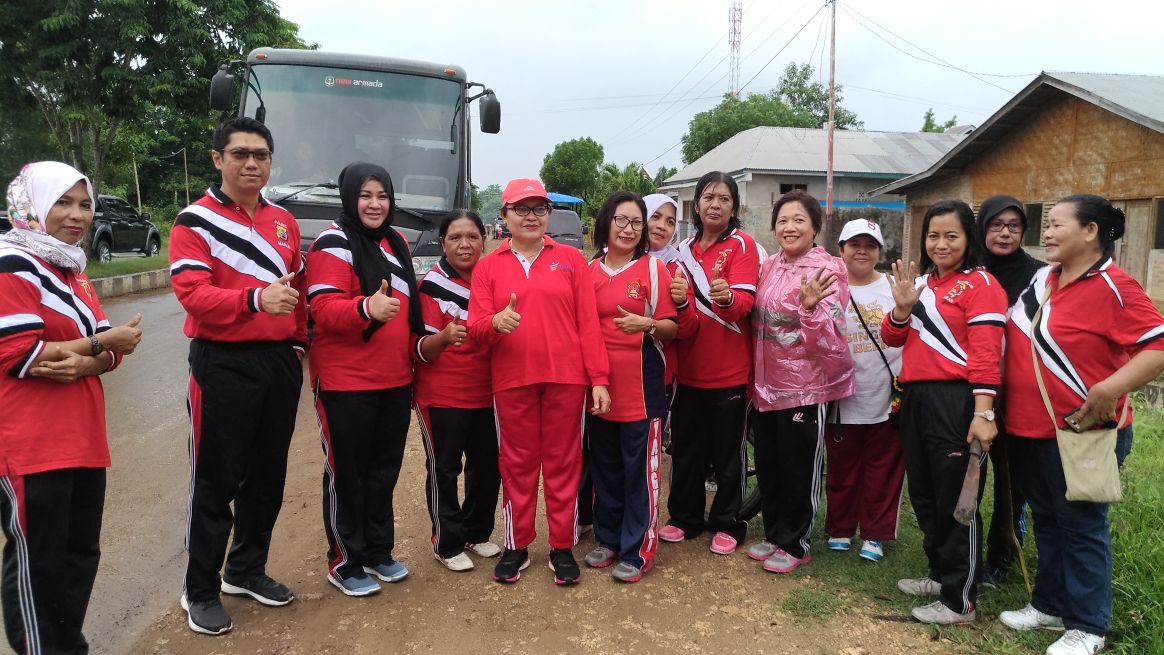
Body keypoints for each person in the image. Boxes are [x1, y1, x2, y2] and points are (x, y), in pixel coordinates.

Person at [998, 195, 1164, 655]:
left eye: (1056, 225)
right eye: (1046, 225)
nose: (1046, 233)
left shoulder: (1115, 286)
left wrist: (1110, 388)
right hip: (1030, 428)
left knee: (1082, 524)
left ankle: (1088, 626)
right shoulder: (1044, 280)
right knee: (1048, 520)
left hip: (1082, 432)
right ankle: (1048, 604)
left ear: (1090, 231)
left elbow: (1156, 347)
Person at [169, 117, 307, 635]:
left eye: (262, 155)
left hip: (277, 363)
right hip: (222, 362)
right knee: (215, 479)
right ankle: (199, 589)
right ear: (217, 158)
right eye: (241, 153)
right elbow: (193, 295)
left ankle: (245, 570)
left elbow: (298, 290)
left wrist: (296, 343)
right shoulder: (193, 222)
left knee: (268, 476)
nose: (252, 163)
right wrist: (254, 298)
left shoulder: (284, 222)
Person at [0, 161, 142, 653]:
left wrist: (89, 355)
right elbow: (23, 355)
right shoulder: (11, 261)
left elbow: (112, 353)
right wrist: (101, 345)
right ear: (32, 205)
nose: (77, 215)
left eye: (84, 204)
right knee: (39, 566)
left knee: (79, 557)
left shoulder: (70, 270)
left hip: (83, 437)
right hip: (30, 444)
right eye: (62, 202)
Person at [467, 178, 610, 585]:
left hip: (567, 378)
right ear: (505, 215)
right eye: (521, 209)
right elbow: (475, 328)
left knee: (565, 464)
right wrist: (495, 322)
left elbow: (588, 324)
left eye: (539, 209)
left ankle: (562, 546)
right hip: (512, 380)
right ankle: (516, 544)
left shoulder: (570, 260)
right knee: (517, 465)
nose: (531, 217)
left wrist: (598, 378)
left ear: (549, 214)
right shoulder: (488, 266)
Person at [881, 199, 1006, 625]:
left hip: (958, 400)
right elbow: (891, 338)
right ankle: (939, 574)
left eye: (951, 235)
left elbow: (988, 355)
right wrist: (900, 308)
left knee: (957, 499)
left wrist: (983, 413)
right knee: (926, 493)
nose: (941, 243)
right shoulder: (920, 285)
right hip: (916, 398)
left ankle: (960, 599)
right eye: (933, 235)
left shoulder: (981, 285)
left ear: (968, 238)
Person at [306, 162, 423, 596]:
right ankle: (345, 560)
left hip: (394, 380)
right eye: (366, 196)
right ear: (350, 198)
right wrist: (364, 310)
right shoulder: (334, 242)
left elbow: (410, 312)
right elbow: (323, 310)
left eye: (383, 196)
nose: (375, 205)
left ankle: (377, 552)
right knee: (347, 473)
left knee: (383, 471)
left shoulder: (395, 242)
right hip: (346, 382)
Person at [746, 190, 854, 573]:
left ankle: (796, 542)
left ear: (815, 227)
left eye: (798, 220)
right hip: (765, 386)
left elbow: (831, 339)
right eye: (783, 221)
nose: (789, 227)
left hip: (804, 388)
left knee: (799, 466)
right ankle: (775, 533)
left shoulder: (828, 269)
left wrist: (809, 309)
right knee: (771, 464)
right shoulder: (771, 264)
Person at [659, 171, 760, 555]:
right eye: (708, 197)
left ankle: (728, 523)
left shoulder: (742, 246)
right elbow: (677, 312)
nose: (715, 204)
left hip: (730, 372)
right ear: (697, 204)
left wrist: (725, 298)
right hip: (688, 371)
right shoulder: (681, 251)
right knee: (686, 449)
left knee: (727, 452)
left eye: (724, 199)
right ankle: (684, 517)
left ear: (734, 207)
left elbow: (743, 306)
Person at [582, 191, 678, 583]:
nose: (628, 229)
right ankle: (608, 538)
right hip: (598, 389)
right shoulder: (588, 272)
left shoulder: (654, 271)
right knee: (605, 468)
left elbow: (673, 329)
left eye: (636, 223)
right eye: (621, 220)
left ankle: (638, 549)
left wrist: (647, 324)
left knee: (640, 471)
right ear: (606, 223)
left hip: (642, 389)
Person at [413, 210, 501, 572]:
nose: (465, 244)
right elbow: (419, 348)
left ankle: (475, 532)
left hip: (489, 391)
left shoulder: (492, 278)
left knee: (488, 467)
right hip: (443, 394)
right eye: (455, 238)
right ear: (442, 244)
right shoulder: (431, 285)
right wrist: (445, 337)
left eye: (472, 237)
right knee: (445, 468)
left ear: (484, 239)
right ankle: (446, 542)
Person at [823, 219, 905, 564]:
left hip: (887, 394)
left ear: (879, 252)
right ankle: (840, 527)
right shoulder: (829, 287)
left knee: (884, 468)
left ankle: (875, 533)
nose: (862, 251)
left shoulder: (894, 287)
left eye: (870, 246)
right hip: (842, 395)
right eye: (854, 244)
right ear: (840, 250)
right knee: (842, 467)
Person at [976, 195, 1044, 585]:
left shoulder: (1040, 275)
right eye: (996, 225)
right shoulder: (970, 271)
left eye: (1013, 225)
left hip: (1019, 394)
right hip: (972, 393)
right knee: (971, 475)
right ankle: (960, 550)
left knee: (1012, 481)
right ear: (982, 227)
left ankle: (1002, 556)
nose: (1004, 232)